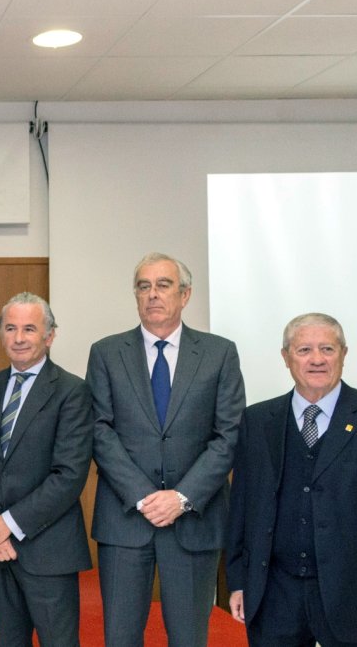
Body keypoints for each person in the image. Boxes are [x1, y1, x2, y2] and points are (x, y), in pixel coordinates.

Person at [226, 313, 357, 646]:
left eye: (327, 349)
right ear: (286, 357)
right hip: (275, 594)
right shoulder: (258, 420)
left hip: (356, 596)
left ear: (344, 355)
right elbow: (242, 508)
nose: (316, 359)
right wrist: (238, 580)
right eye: (304, 349)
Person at [87, 252, 245, 647]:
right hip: (125, 520)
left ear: (185, 294)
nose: (152, 295)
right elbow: (98, 429)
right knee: (120, 637)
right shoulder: (106, 352)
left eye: (163, 285)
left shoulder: (218, 353)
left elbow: (229, 434)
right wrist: (142, 497)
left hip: (194, 521)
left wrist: (182, 497)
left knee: (190, 637)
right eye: (144, 286)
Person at [0, 293, 93, 647]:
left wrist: (8, 525)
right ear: (1, 333)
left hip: (48, 550)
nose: (19, 338)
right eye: (11, 328)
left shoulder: (72, 391)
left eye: (30, 329)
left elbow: (68, 476)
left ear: (49, 336)